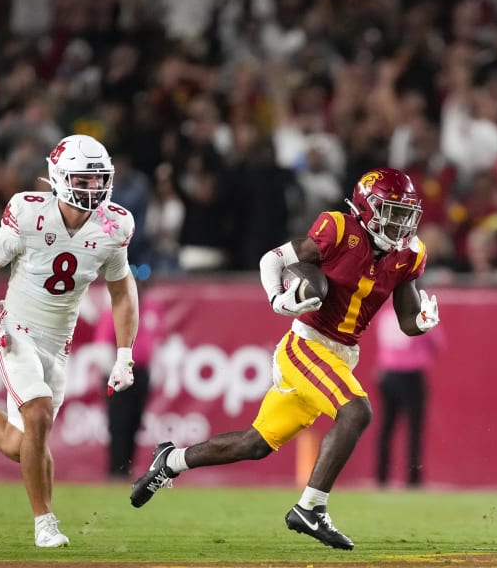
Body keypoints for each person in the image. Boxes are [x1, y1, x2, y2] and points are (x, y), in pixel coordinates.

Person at [129, 168, 440, 551]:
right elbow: (271, 260)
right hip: (307, 345)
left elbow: (407, 318)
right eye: (391, 211)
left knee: (254, 443)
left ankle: (171, 461)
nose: (400, 223)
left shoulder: (409, 254)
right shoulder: (339, 229)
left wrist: (422, 321)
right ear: (366, 208)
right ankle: (311, 508)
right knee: (356, 411)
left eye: (405, 214)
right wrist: (278, 299)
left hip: (342, 355)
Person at [0, 134, 139, 548]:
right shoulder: (29, 213)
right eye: (83, 179)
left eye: (99, 180)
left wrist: (125, 354)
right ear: (59, 177)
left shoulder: (115, 225)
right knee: (38, 414)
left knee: (19, 442)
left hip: (59, 344)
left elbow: (122, 291)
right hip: (15, 329)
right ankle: (45, 523)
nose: (92, 189)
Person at [97, 263, 157, 479]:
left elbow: (154, 342)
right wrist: (111, 370)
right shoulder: (116, 307)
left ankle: (126, 468)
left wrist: (155, 369)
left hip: (142, 372)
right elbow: (103, 344)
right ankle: (116, 469)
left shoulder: (150, 308)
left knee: (134, 422)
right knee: (119, 422)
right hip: (120, 372)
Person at [374, 303, 442, 488]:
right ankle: (413, 478)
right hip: (412, 373)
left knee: (386, 428)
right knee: (414, 429)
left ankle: (381, 476)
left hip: (387, 372)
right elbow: (436, 342)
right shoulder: (420, 313)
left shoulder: (384, 311)